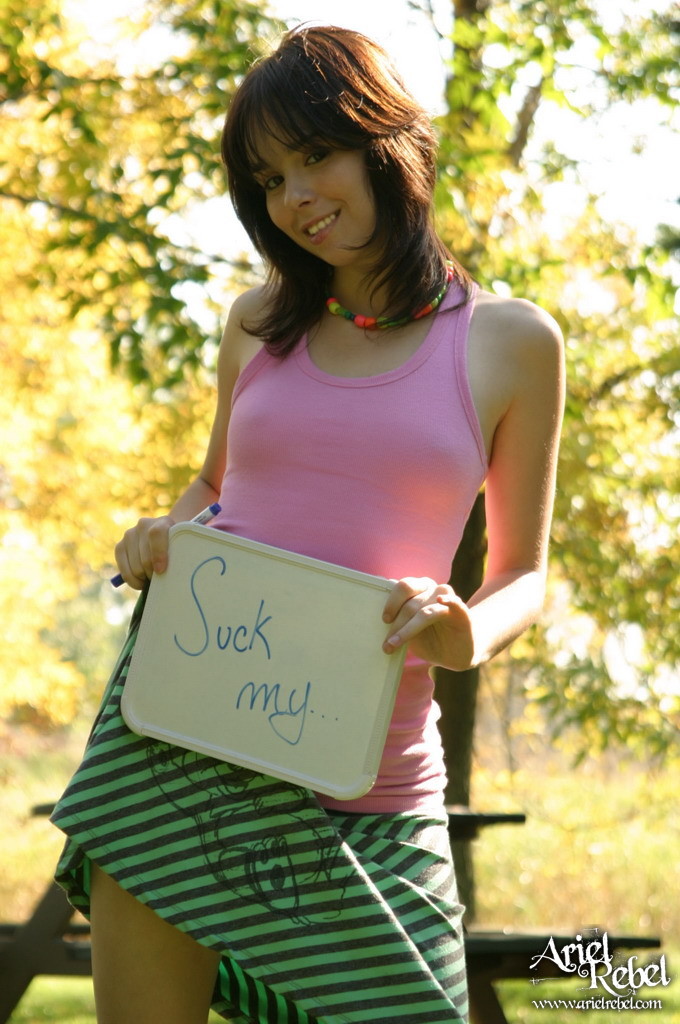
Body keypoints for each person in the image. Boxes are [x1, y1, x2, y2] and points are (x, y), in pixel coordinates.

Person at [51, 24, 564, 1024]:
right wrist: (163, 534)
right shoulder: (254, 322)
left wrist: (463, 633)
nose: (294, 197)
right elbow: (212, 486)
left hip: (373, 779)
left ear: (388, 142)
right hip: (179, 753)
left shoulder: (510, 341)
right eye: (268, 178)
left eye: (315, 156)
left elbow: (524, 573)